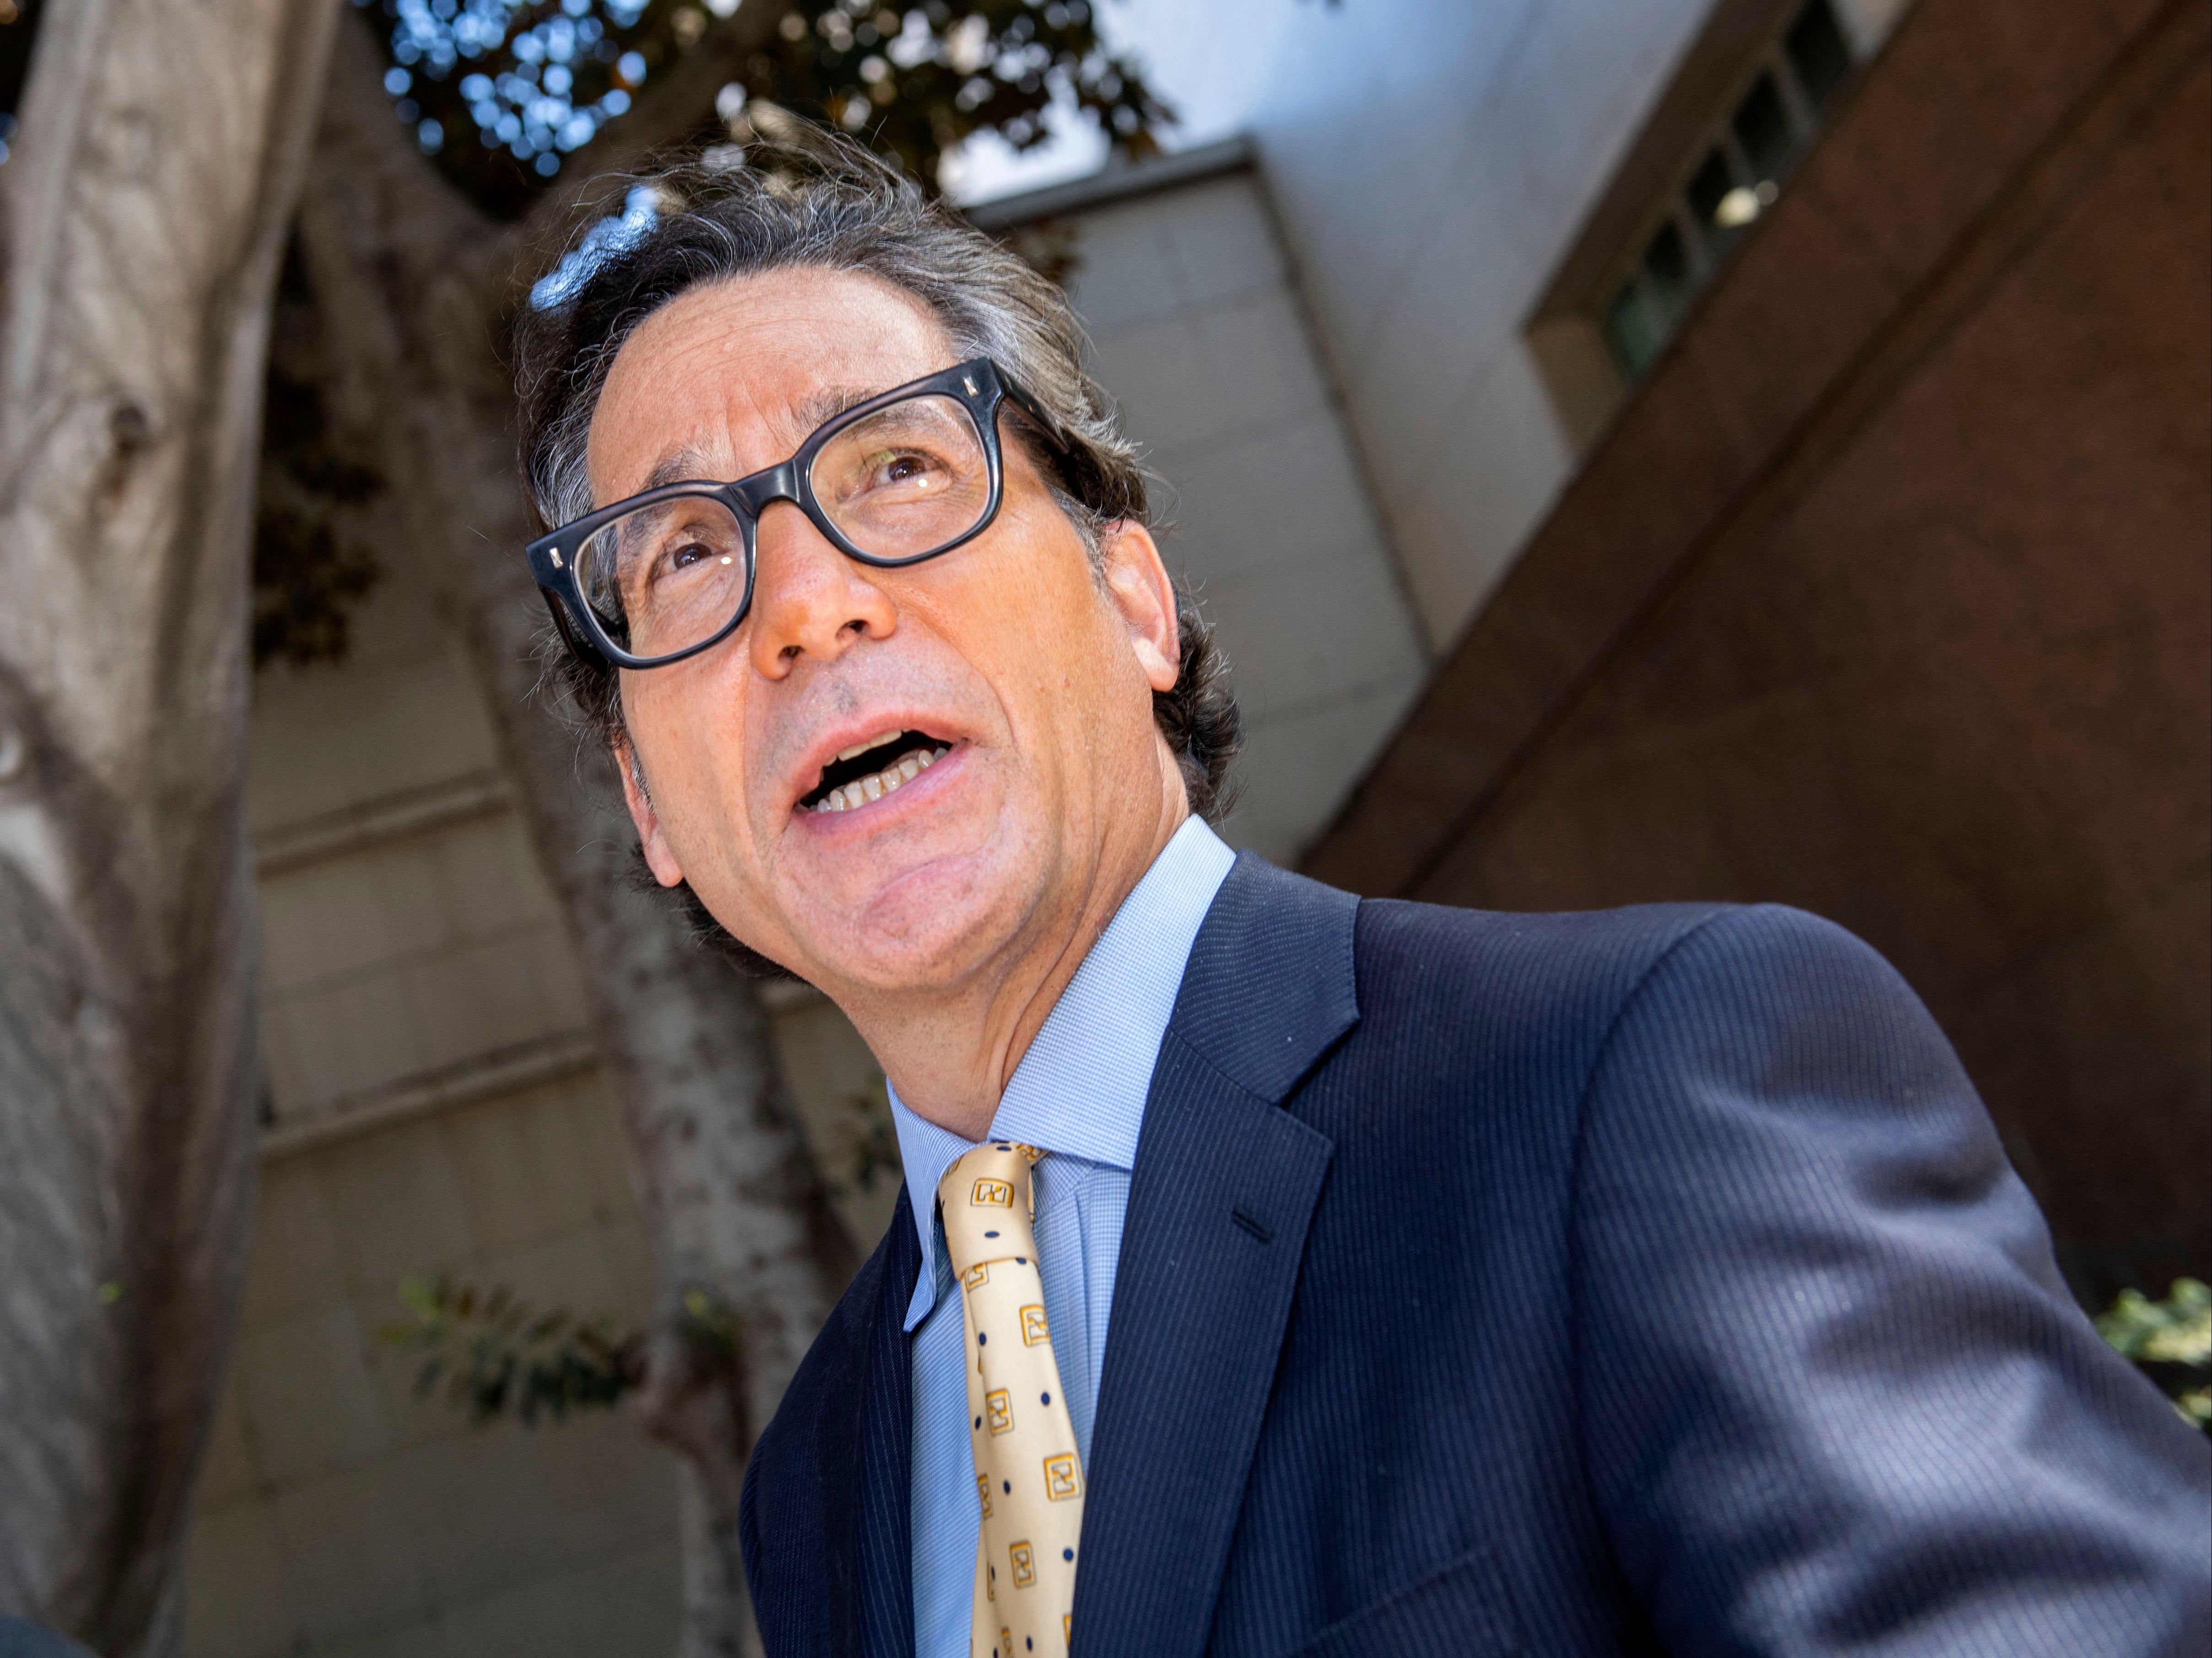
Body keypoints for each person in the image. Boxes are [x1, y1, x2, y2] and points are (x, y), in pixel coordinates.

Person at [513, 143, 2210, 1658]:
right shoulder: (816, 1480)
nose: (802, 603)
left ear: (1132, 605)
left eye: (893, 469)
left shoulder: (1646, 1084)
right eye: (680, 556)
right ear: (654, 807)